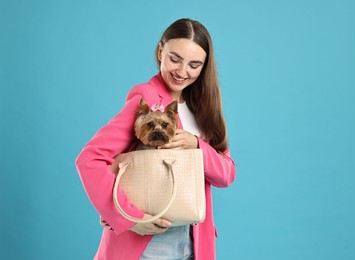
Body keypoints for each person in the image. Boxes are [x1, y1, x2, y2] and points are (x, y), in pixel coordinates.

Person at [75, 18, 236, 260]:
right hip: (148, 246)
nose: (182, 72)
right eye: (174, 59)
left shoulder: (204, 109)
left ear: (204, 67)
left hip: (195, 242)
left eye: (194, 64)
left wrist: (197, 146)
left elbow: (226, 175)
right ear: (161, 51)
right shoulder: (147, 98)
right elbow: (90, 159)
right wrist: (128, 217)